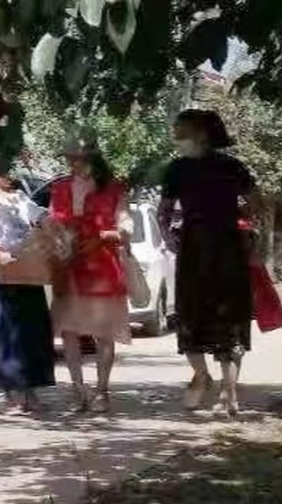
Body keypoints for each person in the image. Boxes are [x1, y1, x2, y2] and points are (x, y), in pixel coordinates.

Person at [158, 109, 267, 415]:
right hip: (224, 246)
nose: (176, 135)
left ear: (200, 134)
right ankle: (226, 394)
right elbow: (256, 203)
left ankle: (211, 382)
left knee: (199, 316)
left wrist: (169, 237)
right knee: (225, 319)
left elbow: (162, 213)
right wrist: (239, 219)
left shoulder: (179, 169)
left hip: (198, 248)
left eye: (181, 130)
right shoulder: (230, 167)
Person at [50, 132, 133, 413]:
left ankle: (102, 390)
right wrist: (60, 240)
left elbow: (126, 226)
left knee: (103, 332)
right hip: (69, 265)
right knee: (69, 331)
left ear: (92, 158)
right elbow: (53, 223)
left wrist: (106, 234)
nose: (73, 163)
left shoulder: (114, 188)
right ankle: (77, 390)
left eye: (78, 158)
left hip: (102, 267)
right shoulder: (60, 188)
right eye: (70, 159)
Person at [0, 155, 55, 412]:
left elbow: (38, 214)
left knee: (32, 330)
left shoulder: (18, 197)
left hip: (28, 268)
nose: (12, 175)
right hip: (4, 272)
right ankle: (7, 389)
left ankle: (29, 388)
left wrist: (47, 224)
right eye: (6, 170)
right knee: (6, 330)